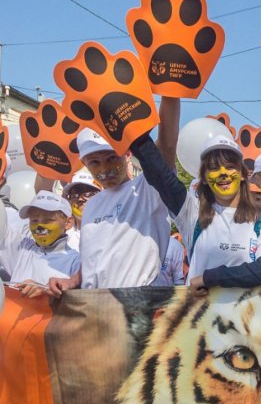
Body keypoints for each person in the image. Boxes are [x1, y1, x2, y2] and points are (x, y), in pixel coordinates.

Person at [131, 132, 261, 294]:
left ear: (242, 174)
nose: (223, 173)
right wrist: (131, 131)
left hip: (247, 317)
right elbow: (159, 174)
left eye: (230, 166)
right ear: (204, 178)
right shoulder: (192, 212)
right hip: (200, 317)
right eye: (213, 168)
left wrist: (210, 278)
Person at [49, 102, 178, 295]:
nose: (104, 169)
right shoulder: (92, 205)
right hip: (92, 308)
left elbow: (167, 145)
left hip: (135, 306)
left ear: (127, 154)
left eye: (111, 158)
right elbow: (93, 261)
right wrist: (73, 281)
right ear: (84, 163)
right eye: (94, 162)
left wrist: (171, 88)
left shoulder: (147, 189)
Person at [7, 191, 80, 298]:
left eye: (48, 220)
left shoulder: (76, 262)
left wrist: (44, 292)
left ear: (68, 223)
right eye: (34, 220)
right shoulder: (22, 247)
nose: (39, 226)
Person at [60, 170, 101, 250]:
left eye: (88, 194)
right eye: (75, 195)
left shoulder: (112, 229)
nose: (80, 199)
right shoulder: (62, 233)